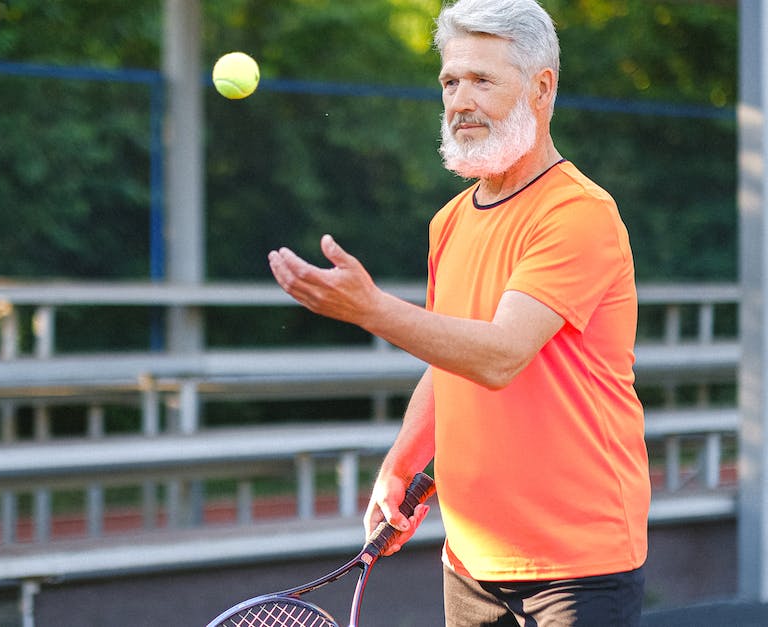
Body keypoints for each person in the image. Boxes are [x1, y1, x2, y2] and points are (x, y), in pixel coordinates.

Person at [267, 0, 650, 625]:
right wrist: (404, 459)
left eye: (482, 80)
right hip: (470, 561)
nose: (460, 100)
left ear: (541, 87)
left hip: (577, 566)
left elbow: (499, 355)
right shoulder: (449, 221)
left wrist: (371, 311)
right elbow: (454, 357)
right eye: (450, 81)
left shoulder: (578, 214)